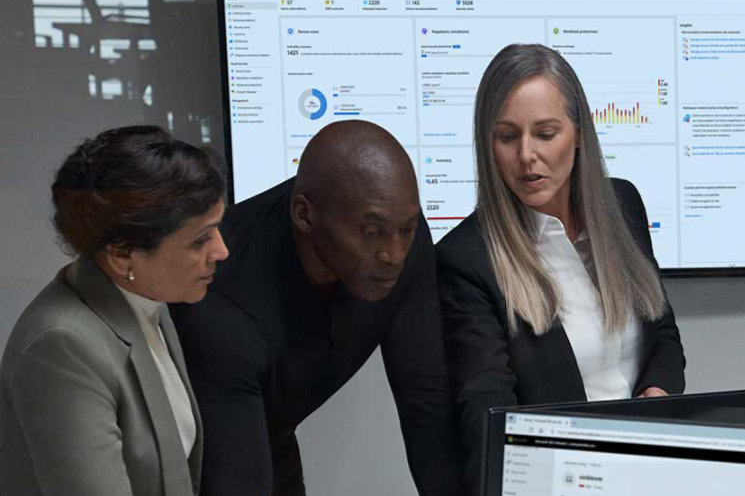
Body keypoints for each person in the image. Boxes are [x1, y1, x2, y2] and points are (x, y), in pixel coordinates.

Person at [436, 44, 686, 493]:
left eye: (545, 133)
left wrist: (657, 401)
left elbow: (662, 333)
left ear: (579, 133)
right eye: (507, 136)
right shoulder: (467, 258)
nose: (526, 155)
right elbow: (486, 412)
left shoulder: (623, 205)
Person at [170, 120, 463, 496]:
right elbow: (237, 480)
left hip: (272, 438)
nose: (394, 255)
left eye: (405, 229)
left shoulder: (399, 235)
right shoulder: (222, 306)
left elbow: (427, 406)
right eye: (371, 232)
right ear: (304, 215)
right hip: (190, 467)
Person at [0, 125, 229, 496]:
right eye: (201, 239)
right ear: (123, 255)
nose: (222, 251)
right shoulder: (61, 348)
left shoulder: (144, 296)